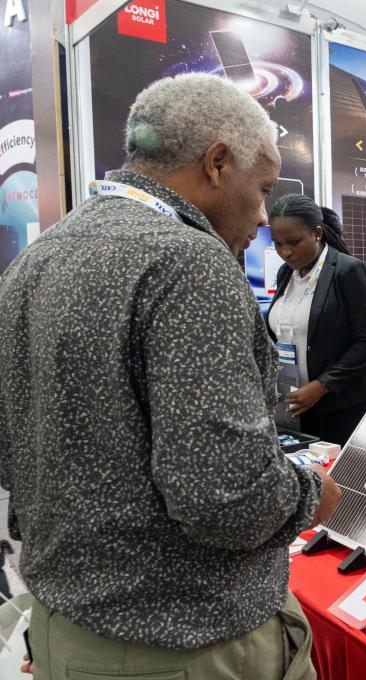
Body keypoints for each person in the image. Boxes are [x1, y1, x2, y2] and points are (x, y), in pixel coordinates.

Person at [0, 73, 340, 679]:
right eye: (262, 189)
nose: (263, 215)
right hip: (188, 642)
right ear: (217, 163)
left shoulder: (36, 260)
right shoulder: (189, 261)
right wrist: (312, 492)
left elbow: (14, 455)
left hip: (66, 630)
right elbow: (226, 497)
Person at [267, 194, 366, 444]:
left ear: (317, 233)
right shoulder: (287, 273)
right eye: (278, 243)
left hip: (343, 406)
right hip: (298, 403)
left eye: (294, 242)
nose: (285, 252)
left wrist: (322, 385)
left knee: (341, 468)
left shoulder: (348, 270)